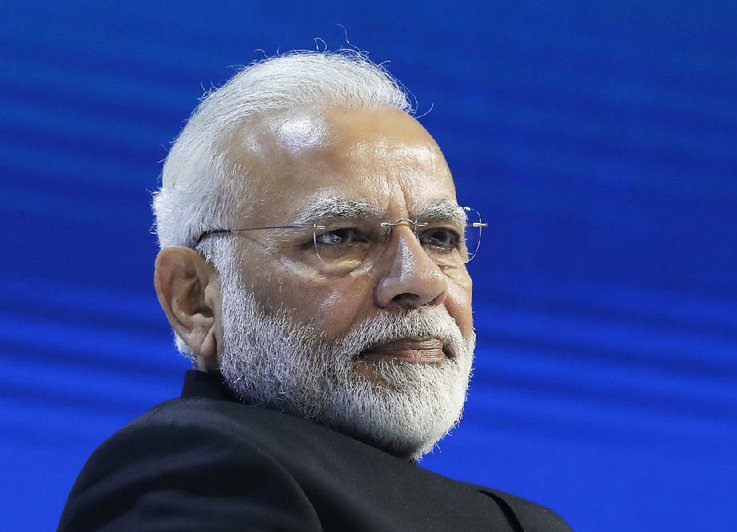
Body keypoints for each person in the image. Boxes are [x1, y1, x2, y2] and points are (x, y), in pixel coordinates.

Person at [59, 51, 570, 531]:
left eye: (440, 238)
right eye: (339, 237)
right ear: (194, 299)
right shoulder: (190, 469)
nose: (421, 280)